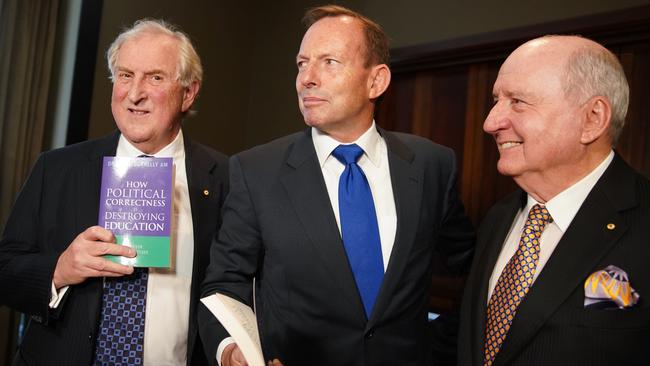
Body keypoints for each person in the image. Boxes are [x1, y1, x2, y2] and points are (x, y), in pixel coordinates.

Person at [198, 5, 474, 366]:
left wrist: (444, 344)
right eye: (301, 63)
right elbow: (224, 282)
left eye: (329, 62)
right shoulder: (255, 170)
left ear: (376, 81)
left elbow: (475, 268)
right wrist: (233, 352)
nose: (306, 78)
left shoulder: (432, 164)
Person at [0, 19, 229, 365]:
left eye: (155, 77)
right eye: (125, 75)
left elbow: (241, 289)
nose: (135, 93)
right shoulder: (57, 169)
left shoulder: (228, 179)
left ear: (188, 92)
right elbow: (5, 270)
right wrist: (59, 269)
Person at [458, 35, 650, 365]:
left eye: (517, 101)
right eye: (496, 100)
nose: (490, 123)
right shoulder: (498, 217)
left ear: (592, 119)